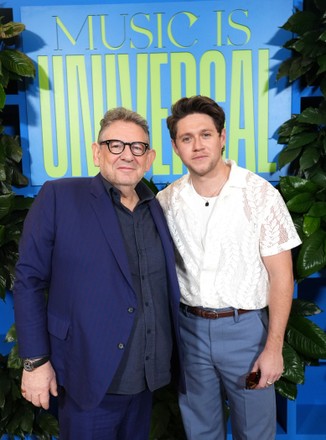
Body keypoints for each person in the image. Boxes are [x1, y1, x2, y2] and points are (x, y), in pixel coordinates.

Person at [13, 107, 184, 440]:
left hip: (146, 380)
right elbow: (29, 281)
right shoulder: (59, 196)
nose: (127, 155)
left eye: (137, 148)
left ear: (148, 159)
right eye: (115, 145)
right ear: (96, 152)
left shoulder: (158, 208)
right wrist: (34, 362)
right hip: (87, 378)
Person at [157, 95, 302, 440]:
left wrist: (273, 348)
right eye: (186, 138)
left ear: (222, 138)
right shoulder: (167, 202)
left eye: (206, 135)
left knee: (255, 431)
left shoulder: (260, 194)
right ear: (176, 147)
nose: (197, 145)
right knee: (200, 431)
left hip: (247, 334)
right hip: (189, 332)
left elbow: (282, 276)